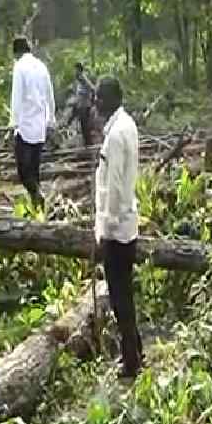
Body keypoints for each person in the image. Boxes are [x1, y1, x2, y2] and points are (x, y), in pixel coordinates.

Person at [94, 76, 143, 380]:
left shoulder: (115, 135)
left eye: (100, 97)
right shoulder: (127, 124)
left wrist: (103, 231)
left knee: (119, 297)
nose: (96, 103)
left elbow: (112, 188)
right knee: (126, 292)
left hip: (117, 227)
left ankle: (130, 361)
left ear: (111, 99)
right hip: (128, 223)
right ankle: (136, 347)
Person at [9, 36, 56, 208]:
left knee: (23, 171)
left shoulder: (20, 67)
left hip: (25, 127)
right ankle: (37, 205)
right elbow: (50, 96)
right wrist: (50, 120)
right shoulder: (41, 66)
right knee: (34, 171)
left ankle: (37, 196)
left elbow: (17, 97)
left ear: (16, 52)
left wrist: (13, 124)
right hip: (39, 127)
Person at [67, 62, 95, 146]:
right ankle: (86, 144)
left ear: (79, 69)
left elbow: (92, 88)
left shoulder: (83, 78)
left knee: (85, 127)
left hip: (85, 105)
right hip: (80, 105)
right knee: (82, 126)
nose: (74, 72)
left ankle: (89, 144)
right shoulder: (79, 80)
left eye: (75, 70)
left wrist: (90, 99)